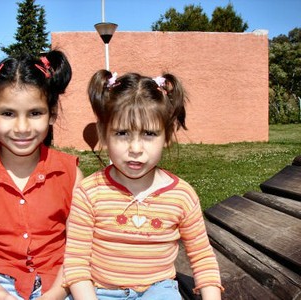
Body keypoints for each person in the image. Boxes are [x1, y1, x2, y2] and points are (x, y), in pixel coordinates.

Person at [62, 70, 224, 300]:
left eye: (149, 133)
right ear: (103, 134)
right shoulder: (89, 192)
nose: (135, 148)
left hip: (158, 291)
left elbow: (202, 257)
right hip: (98, 292)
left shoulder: (182, 196)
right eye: (122, 133)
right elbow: (76, 262)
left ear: (167, 136)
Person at [0, 50, 83, 300]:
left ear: (52, 113)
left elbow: (79, 252)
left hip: (60, 285)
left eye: (35, 113)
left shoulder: (71, 175)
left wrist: (53, 295)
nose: (22, 128)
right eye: (8, 113)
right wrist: (3, 297)